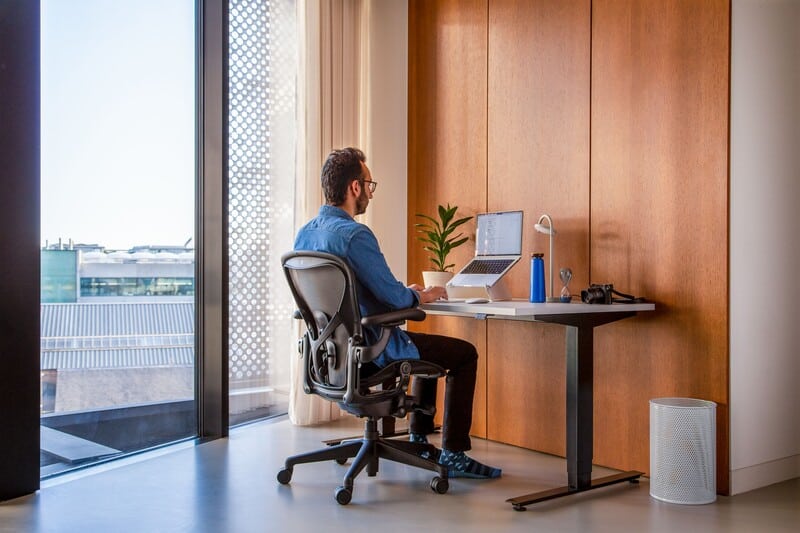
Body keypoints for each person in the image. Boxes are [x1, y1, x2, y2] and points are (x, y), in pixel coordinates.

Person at [294, 147, 501, 479]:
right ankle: (453, 453)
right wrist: (421, 294)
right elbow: (393, 298)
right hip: (371, 352)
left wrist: (405, 294)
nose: (371, 194)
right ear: (355, 187)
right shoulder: (354, 235)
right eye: (369, 184)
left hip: (331, 356)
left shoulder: (305, 234)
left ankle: (419, 437)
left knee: (422, 348)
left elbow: (345, 294)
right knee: (463, 354)